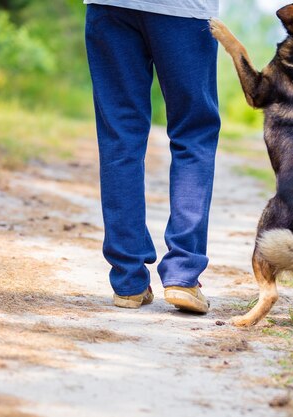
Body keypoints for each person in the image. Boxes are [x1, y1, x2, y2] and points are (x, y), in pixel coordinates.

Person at [84, 0, 220, 313]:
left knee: (120, 136)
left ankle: (128, 280)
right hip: (183, 10)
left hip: (110, 6)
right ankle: (183, 275)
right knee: (194, 133)